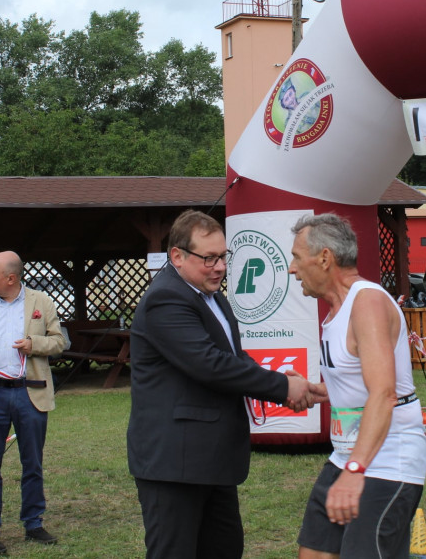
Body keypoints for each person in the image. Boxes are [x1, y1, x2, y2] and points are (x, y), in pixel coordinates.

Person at [127, 210, 318, 559]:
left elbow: (231, 356)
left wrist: (280, 379)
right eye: (209, 258)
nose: (219, 267)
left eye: (223, 257)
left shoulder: (212, 296)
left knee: (225, 548)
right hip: (175, 463)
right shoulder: (165, 299)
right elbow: (210, 365)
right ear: (177, 256)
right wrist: (280, 388)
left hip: (210, 458)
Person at [290, 213, 426, 559]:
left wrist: (356, 470)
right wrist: (323, 391)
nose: (292, 269)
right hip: (346, 456)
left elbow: (384, 393)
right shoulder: (336, 309)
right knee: (313, 554)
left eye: (296, 257)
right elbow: (362, 379)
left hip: (387, 461)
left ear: (324, 258)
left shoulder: (367, 302)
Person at [0, 251, 66, 555]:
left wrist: (34, 345)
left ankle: (33, 523)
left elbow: (59, 342)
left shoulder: (41, 302)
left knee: (32, 463)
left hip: (29, 392)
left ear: (11, 278)